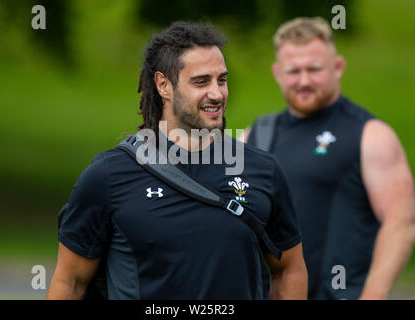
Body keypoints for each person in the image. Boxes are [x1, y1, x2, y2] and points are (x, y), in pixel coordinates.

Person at [46, 21, 308, 300]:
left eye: (222, 80)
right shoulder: (109, 176)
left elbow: (289, 269)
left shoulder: (262, 170)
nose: (217, 94)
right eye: (201, 81)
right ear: (163, 85)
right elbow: (70, 282)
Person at [241, 17, 415, 300]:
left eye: (314, 69)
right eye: (294, 71)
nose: (305, 80)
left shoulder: (371, 135)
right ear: (277, 73)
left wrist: (373, 295)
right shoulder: (254, 137)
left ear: (338, 67)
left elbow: (401, 223)